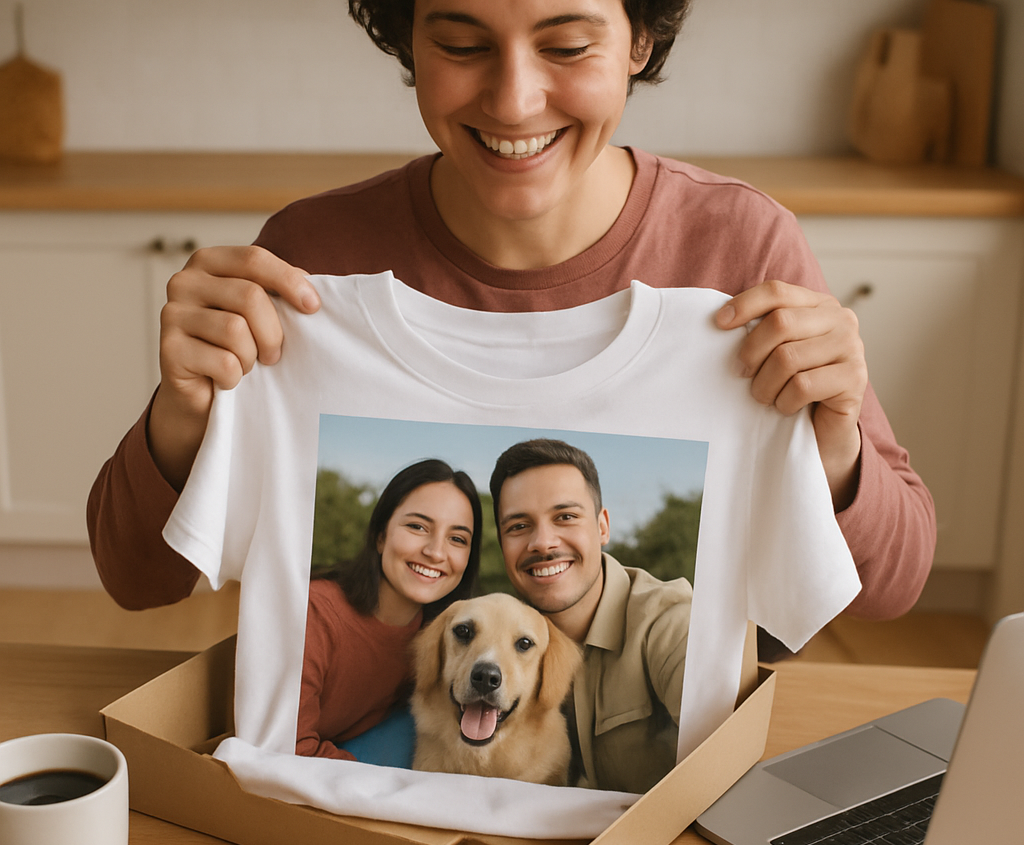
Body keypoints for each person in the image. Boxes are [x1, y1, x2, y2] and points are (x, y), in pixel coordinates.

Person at [87, 0, 935, 635]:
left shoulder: (739, 249)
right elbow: (136, 577)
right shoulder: (311, 259)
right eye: (462, 45)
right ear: (408, 40)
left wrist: (832, 445)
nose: (515, 100)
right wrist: (183, 416)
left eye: (567, 46)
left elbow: (895, 584)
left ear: (640, 39)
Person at [490, 438, 689, 793]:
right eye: (518, 526)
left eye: (564, 517)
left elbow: (728, 761)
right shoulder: (491, 642)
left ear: (602, 527)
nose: (543, 542)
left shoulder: (669, 621)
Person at [298, 458, 482, 763]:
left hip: (352, 744)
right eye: (417, 526)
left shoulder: (440, 637)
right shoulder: (313, 614)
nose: (436, 552)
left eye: (457, 539)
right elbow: (288, 750)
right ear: (381, 535)